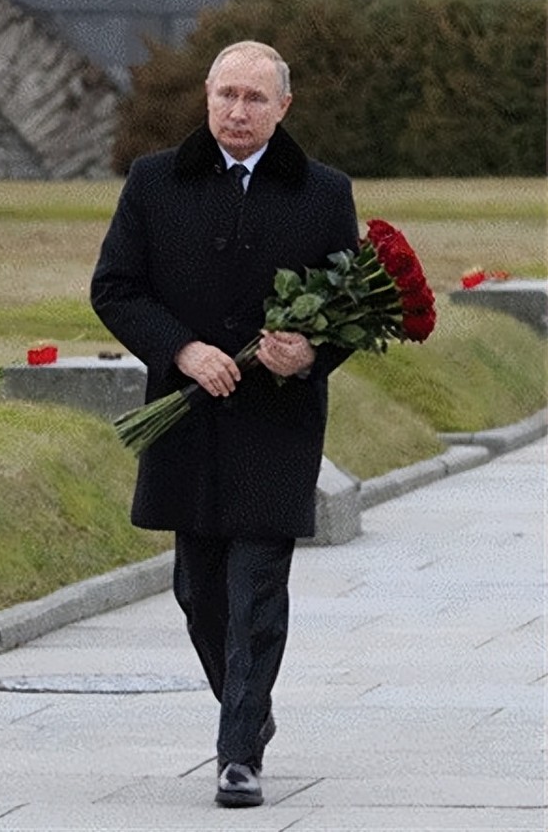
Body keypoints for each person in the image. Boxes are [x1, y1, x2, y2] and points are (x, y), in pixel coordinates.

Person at [90, 41, 359, 808]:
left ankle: (237, 754)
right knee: (198, 591)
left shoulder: (322, 192)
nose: (237, 112)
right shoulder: (153, 181)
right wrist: (183, 348)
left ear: (283, 107)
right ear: (207, 97)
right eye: (226, 96)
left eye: (254, 99)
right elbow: (114, 287)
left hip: (276, 425)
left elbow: (346, 311)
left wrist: (307, 352)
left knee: (257, 590)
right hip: (187, 421)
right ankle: (251, 713)